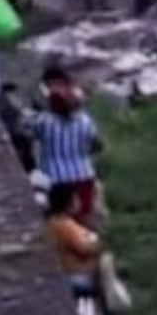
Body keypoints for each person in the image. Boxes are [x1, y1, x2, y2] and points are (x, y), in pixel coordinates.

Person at [30, 65, 103, 223]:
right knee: (85, 220)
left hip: (56, 180)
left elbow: (30, 135)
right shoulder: (85, 121)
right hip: (85, 177)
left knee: (59, 221)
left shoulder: (44, 121)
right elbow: (97, 145)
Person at [45, 183, 101, 301]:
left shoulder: (51, 222)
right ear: (67, 202)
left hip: (64, 273)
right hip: (78, 274)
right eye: (75, 199)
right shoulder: (66, 226)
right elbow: (84, 248)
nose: (78, 202)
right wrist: (99, 243)